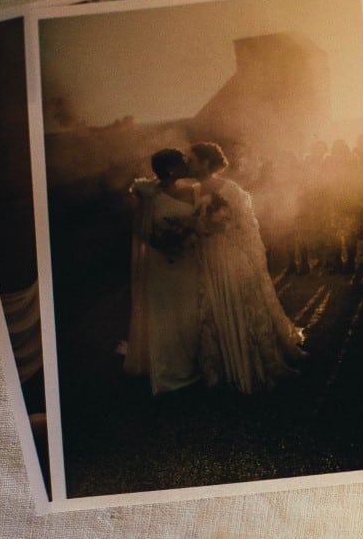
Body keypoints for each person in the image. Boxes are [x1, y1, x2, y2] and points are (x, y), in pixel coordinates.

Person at [187, 141, 305, 393]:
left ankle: (247, 364)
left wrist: (220, 225)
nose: (188, 164)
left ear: (206, 163)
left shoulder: (231, 190)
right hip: (207, 258)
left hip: (229, 256)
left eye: (192, 160)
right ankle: (222, 368)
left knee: (238, 305)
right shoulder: (194, 191)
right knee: (213, 308)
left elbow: (246, 225)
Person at [125, 149, 207, 395]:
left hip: (188, 260)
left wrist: (186, 241)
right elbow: (140, 230)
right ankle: (168, 373)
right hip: (162, 262)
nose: (186, 165)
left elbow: (198, 224)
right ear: (170, 170)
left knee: (190, 312)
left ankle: (192, 364)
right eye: (182, 163)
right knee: (165, 316)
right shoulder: (148, 194)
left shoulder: (193, 191)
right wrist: (165, 245)